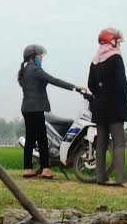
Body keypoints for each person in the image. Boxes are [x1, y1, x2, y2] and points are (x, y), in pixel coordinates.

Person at [18, 44, 87, 178]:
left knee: (31, 138)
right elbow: (54, 80)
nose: (42, 58)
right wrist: (75, 87)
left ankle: (27, 169)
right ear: (33, 56)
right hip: (36, 108)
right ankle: (46, 169)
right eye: (40, 56)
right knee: (42, 138)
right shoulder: (36, 70)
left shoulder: (24, 71)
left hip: (26, 108)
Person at [87, 28, 127, 189]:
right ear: (112, 41)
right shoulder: (116, 57)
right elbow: (122, 83)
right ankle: (122, 179)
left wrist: (101, 95)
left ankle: (101, 177)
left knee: (101, 142)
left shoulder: (95, 60)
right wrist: (123, 103)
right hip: (115, 105)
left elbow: (91, 85)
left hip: (99, 106)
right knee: (119, 143)